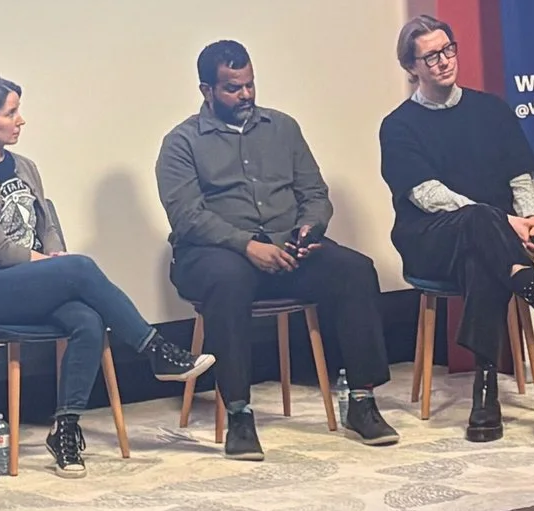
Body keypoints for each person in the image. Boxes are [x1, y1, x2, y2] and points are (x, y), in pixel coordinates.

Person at [0, 75, 213, 477]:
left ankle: (65, 429)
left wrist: (55, 254)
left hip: (28, 283)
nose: (20, 120)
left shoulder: (25, 167)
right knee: (79, 268)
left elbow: (46, 222)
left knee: (87, 319)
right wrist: (56, 266)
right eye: (10, 113)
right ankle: (155, 350)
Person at [157, 39, 399, 460]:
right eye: (233, 88)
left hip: (287, 248)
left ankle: (362, 400)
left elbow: (315, 193)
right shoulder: (182, 142)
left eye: (250, 84)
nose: (246, 94)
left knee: (355, 269)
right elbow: (188, 216)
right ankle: (239, 413)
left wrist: (309, 228)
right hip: (214, 253)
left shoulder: (283, 128)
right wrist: (247, 245)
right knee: (227, 279)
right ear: (206, 90)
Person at [376, 14, 534, 442]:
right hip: (430, 239)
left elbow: (520, 177)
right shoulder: (398, 126)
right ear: (411, 66)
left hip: (492, 243)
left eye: (448, 50)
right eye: (430, 56)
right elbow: (428, 196)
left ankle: (485, 391)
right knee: (478, 221)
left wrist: (530, 220)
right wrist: (508, 224)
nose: (443, 61)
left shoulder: (492, 110)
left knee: (483, 259)